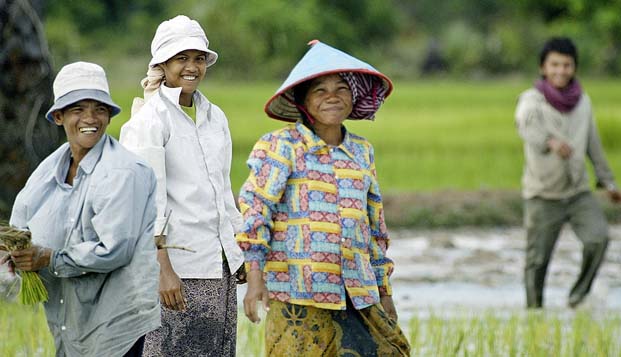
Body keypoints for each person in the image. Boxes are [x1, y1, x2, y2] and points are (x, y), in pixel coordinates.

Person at [237, 40, 410, 356]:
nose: (332, 97)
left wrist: (385, 293)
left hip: (357, 292)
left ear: (352, 97)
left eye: (341, 88)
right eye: (320, 90)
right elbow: (255, 212)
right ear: (303, 100)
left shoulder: (361, 151)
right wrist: (255, 278)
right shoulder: (280, 146)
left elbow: (375, 230)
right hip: (297, 292)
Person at [0, 61, 160, 356]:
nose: (91, 118)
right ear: (59, 117)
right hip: (69, 318)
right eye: (78, 109)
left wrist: (49, 257)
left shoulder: (124, 171)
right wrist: (15, 255)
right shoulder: (48, 171)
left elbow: (115, 249)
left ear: (109, 116)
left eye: (99, 109)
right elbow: (22, 223)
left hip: (116, 322)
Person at [119, 15, 245, 357]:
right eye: (181, 58)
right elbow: (145, 202)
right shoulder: (149, 120)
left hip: (216, 266)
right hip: (177, 269)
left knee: (216, 350)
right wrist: (163, 270)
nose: (192, 67)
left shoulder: (214, 117)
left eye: (199, 58)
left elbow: (222, 188)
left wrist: (237, 249)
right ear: (162, 62)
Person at [515, 37, 621, 309]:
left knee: (598, 239)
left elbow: (593, 144)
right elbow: (524, 126)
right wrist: (549, 142)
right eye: (554, 65)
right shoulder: (532, 100)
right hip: (543, 194)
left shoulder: (583, 101)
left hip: (577, 192)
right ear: (543, 67)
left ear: (574, 68)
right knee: (537, 261)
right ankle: (534, 312)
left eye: (566, 65)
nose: (560, 71)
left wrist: (608, 182)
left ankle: (578, 296)